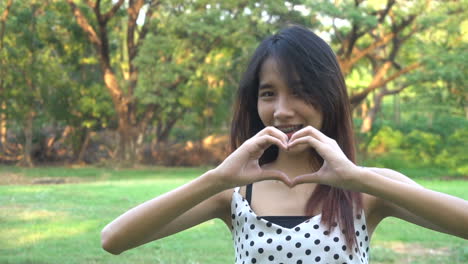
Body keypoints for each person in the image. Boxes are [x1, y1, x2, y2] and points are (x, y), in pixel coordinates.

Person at [101, 25, 468, 263]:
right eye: (268, 94)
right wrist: (215, 178)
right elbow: (113, 239)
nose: (281, 110)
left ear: (329, 97)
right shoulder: (232, 192)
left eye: (300, 92)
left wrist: (358, 179)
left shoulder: (367, 188)